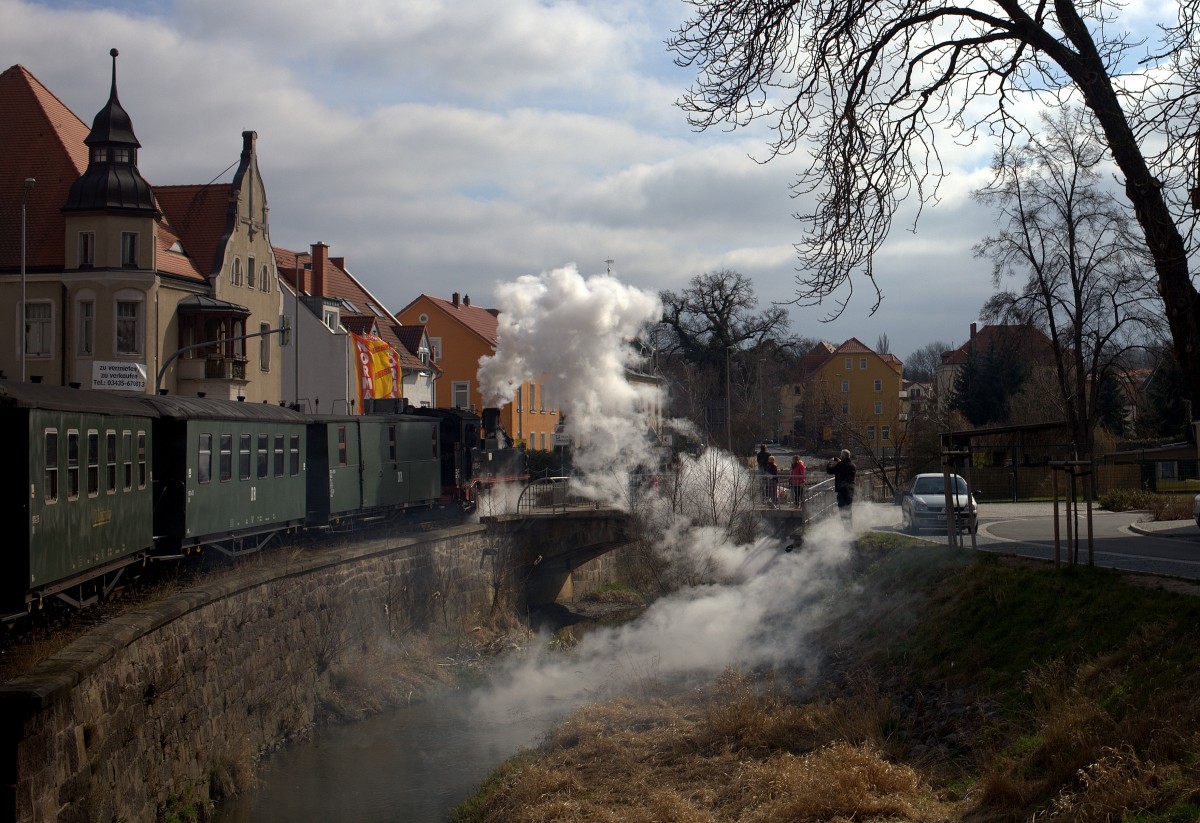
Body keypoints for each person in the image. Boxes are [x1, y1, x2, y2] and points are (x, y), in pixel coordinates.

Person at [827, 449, 857, 523]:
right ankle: (850, 529)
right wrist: (840, 462)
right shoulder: (852, 465)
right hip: (850, 490)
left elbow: (830, 471)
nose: (840, 456)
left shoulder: (840, 465)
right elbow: (845, 468)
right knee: (848, 509)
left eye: (841, 455)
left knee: (842, 509)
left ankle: (846, 528)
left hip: (842, 490)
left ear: (843, 456)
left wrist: (830, 462)